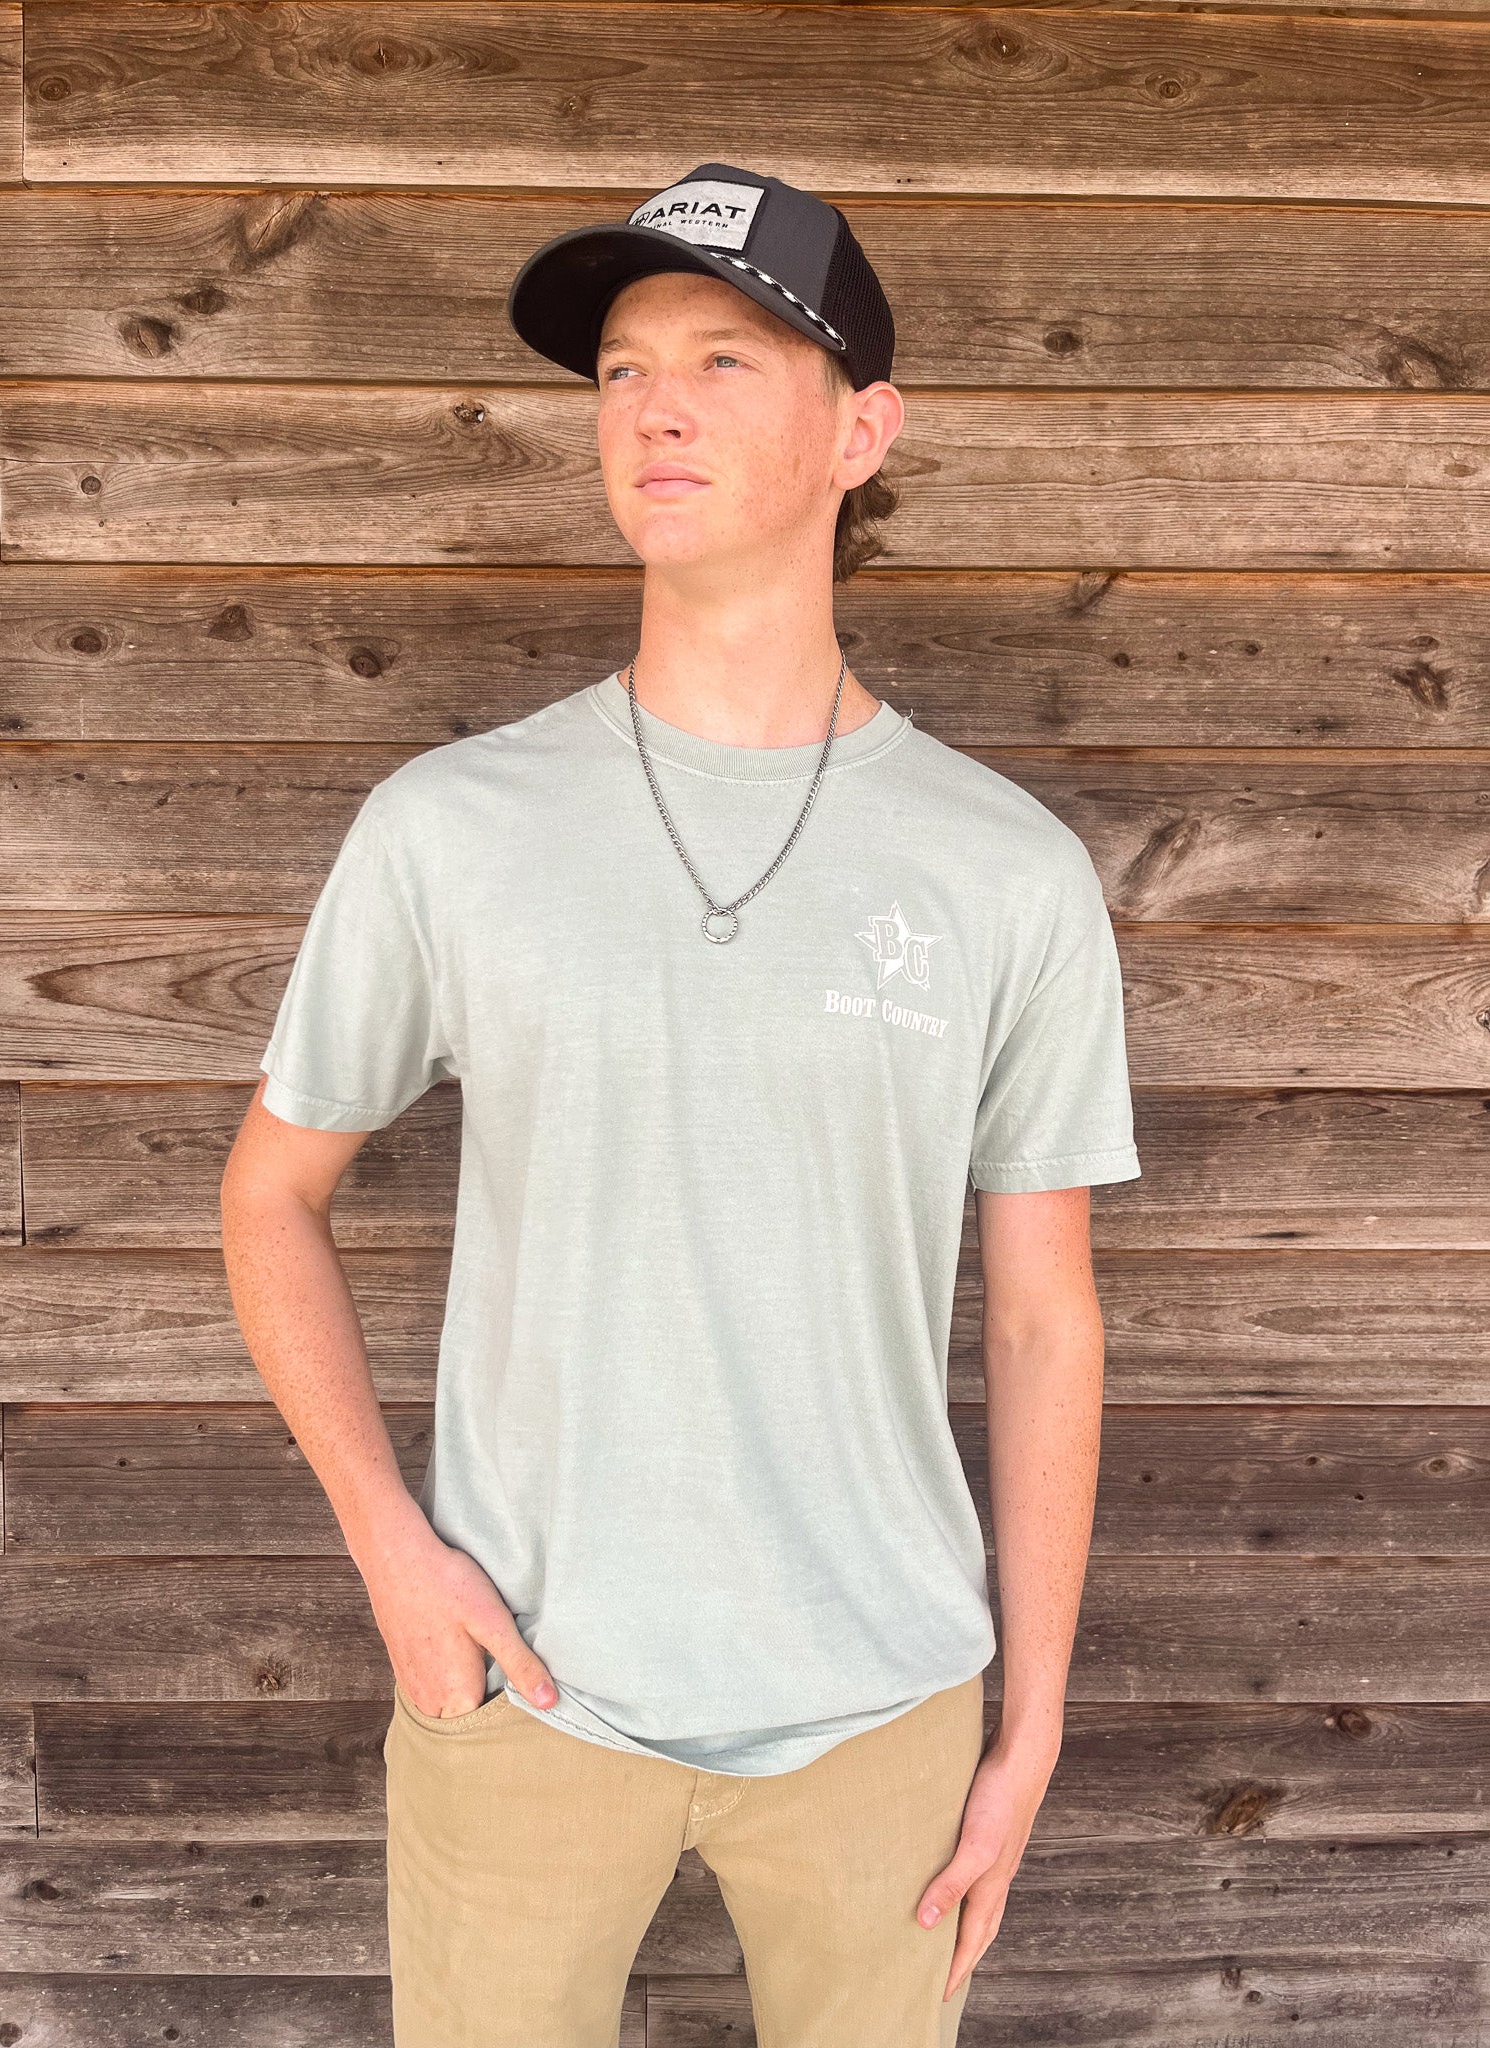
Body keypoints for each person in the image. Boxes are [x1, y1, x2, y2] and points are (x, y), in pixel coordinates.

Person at [220, 161, 1141, 2048]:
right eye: (625, 367)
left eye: (727, 358)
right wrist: (394, 1553)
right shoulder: (453, 829)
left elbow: (1048, 1319)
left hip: (886, 1709)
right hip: (524, 1695)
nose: (655, 405)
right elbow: (267, 1195)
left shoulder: (1004, 872)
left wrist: (1031, 1724)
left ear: (863, 432)